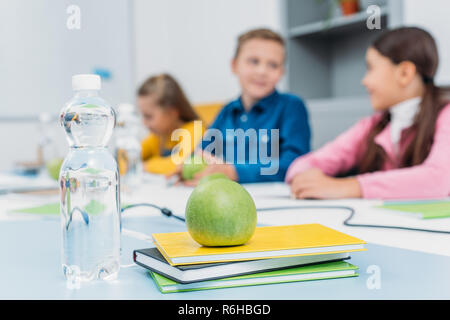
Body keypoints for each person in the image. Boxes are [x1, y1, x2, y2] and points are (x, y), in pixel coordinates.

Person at [286, 27, 450, 200]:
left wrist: (350, 187)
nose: (364, 81)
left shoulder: (446, 115)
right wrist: (304, 179)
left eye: (371, 68)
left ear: (404, 73)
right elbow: (304, 164)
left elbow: (439, 180)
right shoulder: (374, 124)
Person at [181, 28, 311, 185]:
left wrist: (233, 171)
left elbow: (294, 163)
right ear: (234, 65)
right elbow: (203, 152)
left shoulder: (292, 106)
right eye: (254, 61)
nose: (262, 71)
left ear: (281, 72)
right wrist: (188, 167)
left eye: (273, 65)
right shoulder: (227, 111)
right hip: (224, 195)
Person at [138, 74, 205, 175]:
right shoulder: (158, 137)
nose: (144, 122)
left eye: (148, 116)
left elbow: (180, 164)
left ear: (172, 112)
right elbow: (127, 157)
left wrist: (145, 165)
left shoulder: (194, 130)